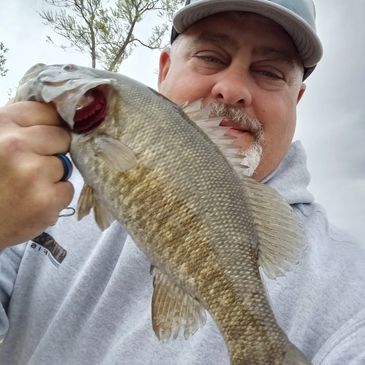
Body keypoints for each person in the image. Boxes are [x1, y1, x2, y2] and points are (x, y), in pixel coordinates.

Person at [0, 0, 364, 363]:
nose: (232, 88)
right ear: (163, 70)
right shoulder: (33, 197)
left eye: (270, 72)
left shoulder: (350, 287)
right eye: (210, 57)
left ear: (296, 99)